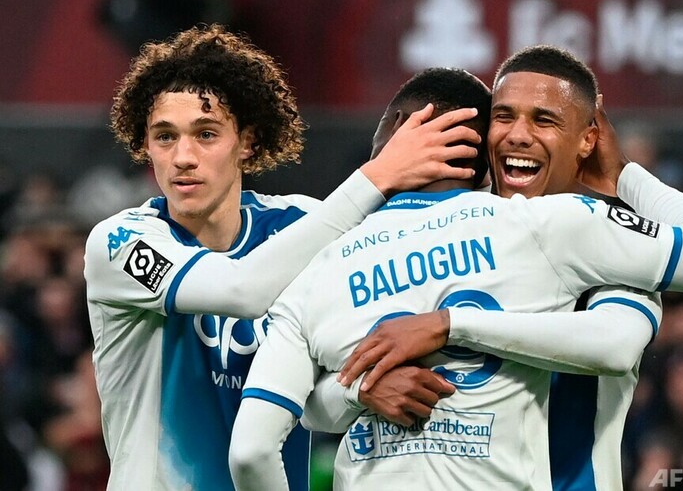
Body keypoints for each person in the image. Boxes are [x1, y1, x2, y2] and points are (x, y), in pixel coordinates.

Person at [228, 66, 683, 490]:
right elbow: (317, 407)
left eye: (543, 119)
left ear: (588, 138)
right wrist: (362, 388)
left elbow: (614, 345)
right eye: (504, 117)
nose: (519, 135)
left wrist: (450, 325)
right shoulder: (546, 228)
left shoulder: (317, 268)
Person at [83, 24, 483, 491]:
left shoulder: (302, 227)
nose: (183, 157)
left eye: (206, 134)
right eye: (165, 137)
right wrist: (379, 175)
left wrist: (360, 388)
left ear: (247, 142)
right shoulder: (120, 244)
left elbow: (314, 403)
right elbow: (241, 289)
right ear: (145, 145)